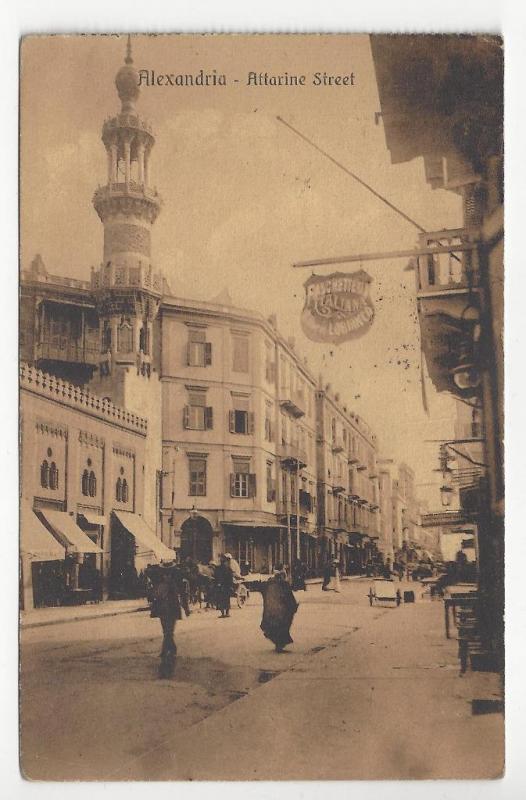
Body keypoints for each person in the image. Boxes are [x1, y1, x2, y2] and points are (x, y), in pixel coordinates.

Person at [149, 563, 190, 678]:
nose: (166, 576)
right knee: (166, 631)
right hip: (163, 610)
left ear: (171, 574)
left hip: (172, 610)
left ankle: (167, 649)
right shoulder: (160, 584)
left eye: (168, 574)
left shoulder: (175, 585)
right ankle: (171, 648)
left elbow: (183, 596)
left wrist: (186, 609)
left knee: (169, 631)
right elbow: (155, 596)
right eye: (165, 574)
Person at [260, 565, 299, 652]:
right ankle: (279, 645)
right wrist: (294, 606)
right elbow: (290, 598)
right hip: (281, 614)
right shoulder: (284, 584)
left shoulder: (268, 583)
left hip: (269, 614)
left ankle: (278, 644)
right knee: (286, 620)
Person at [215, 553, 235, 618]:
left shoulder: (223, 568)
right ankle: (225, 613)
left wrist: (218, 583)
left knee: (222, 600)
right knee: (225, 599)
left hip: (224, 586)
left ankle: (224, 613)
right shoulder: (227, 568)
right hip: (225, 586)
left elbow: (218, 577)